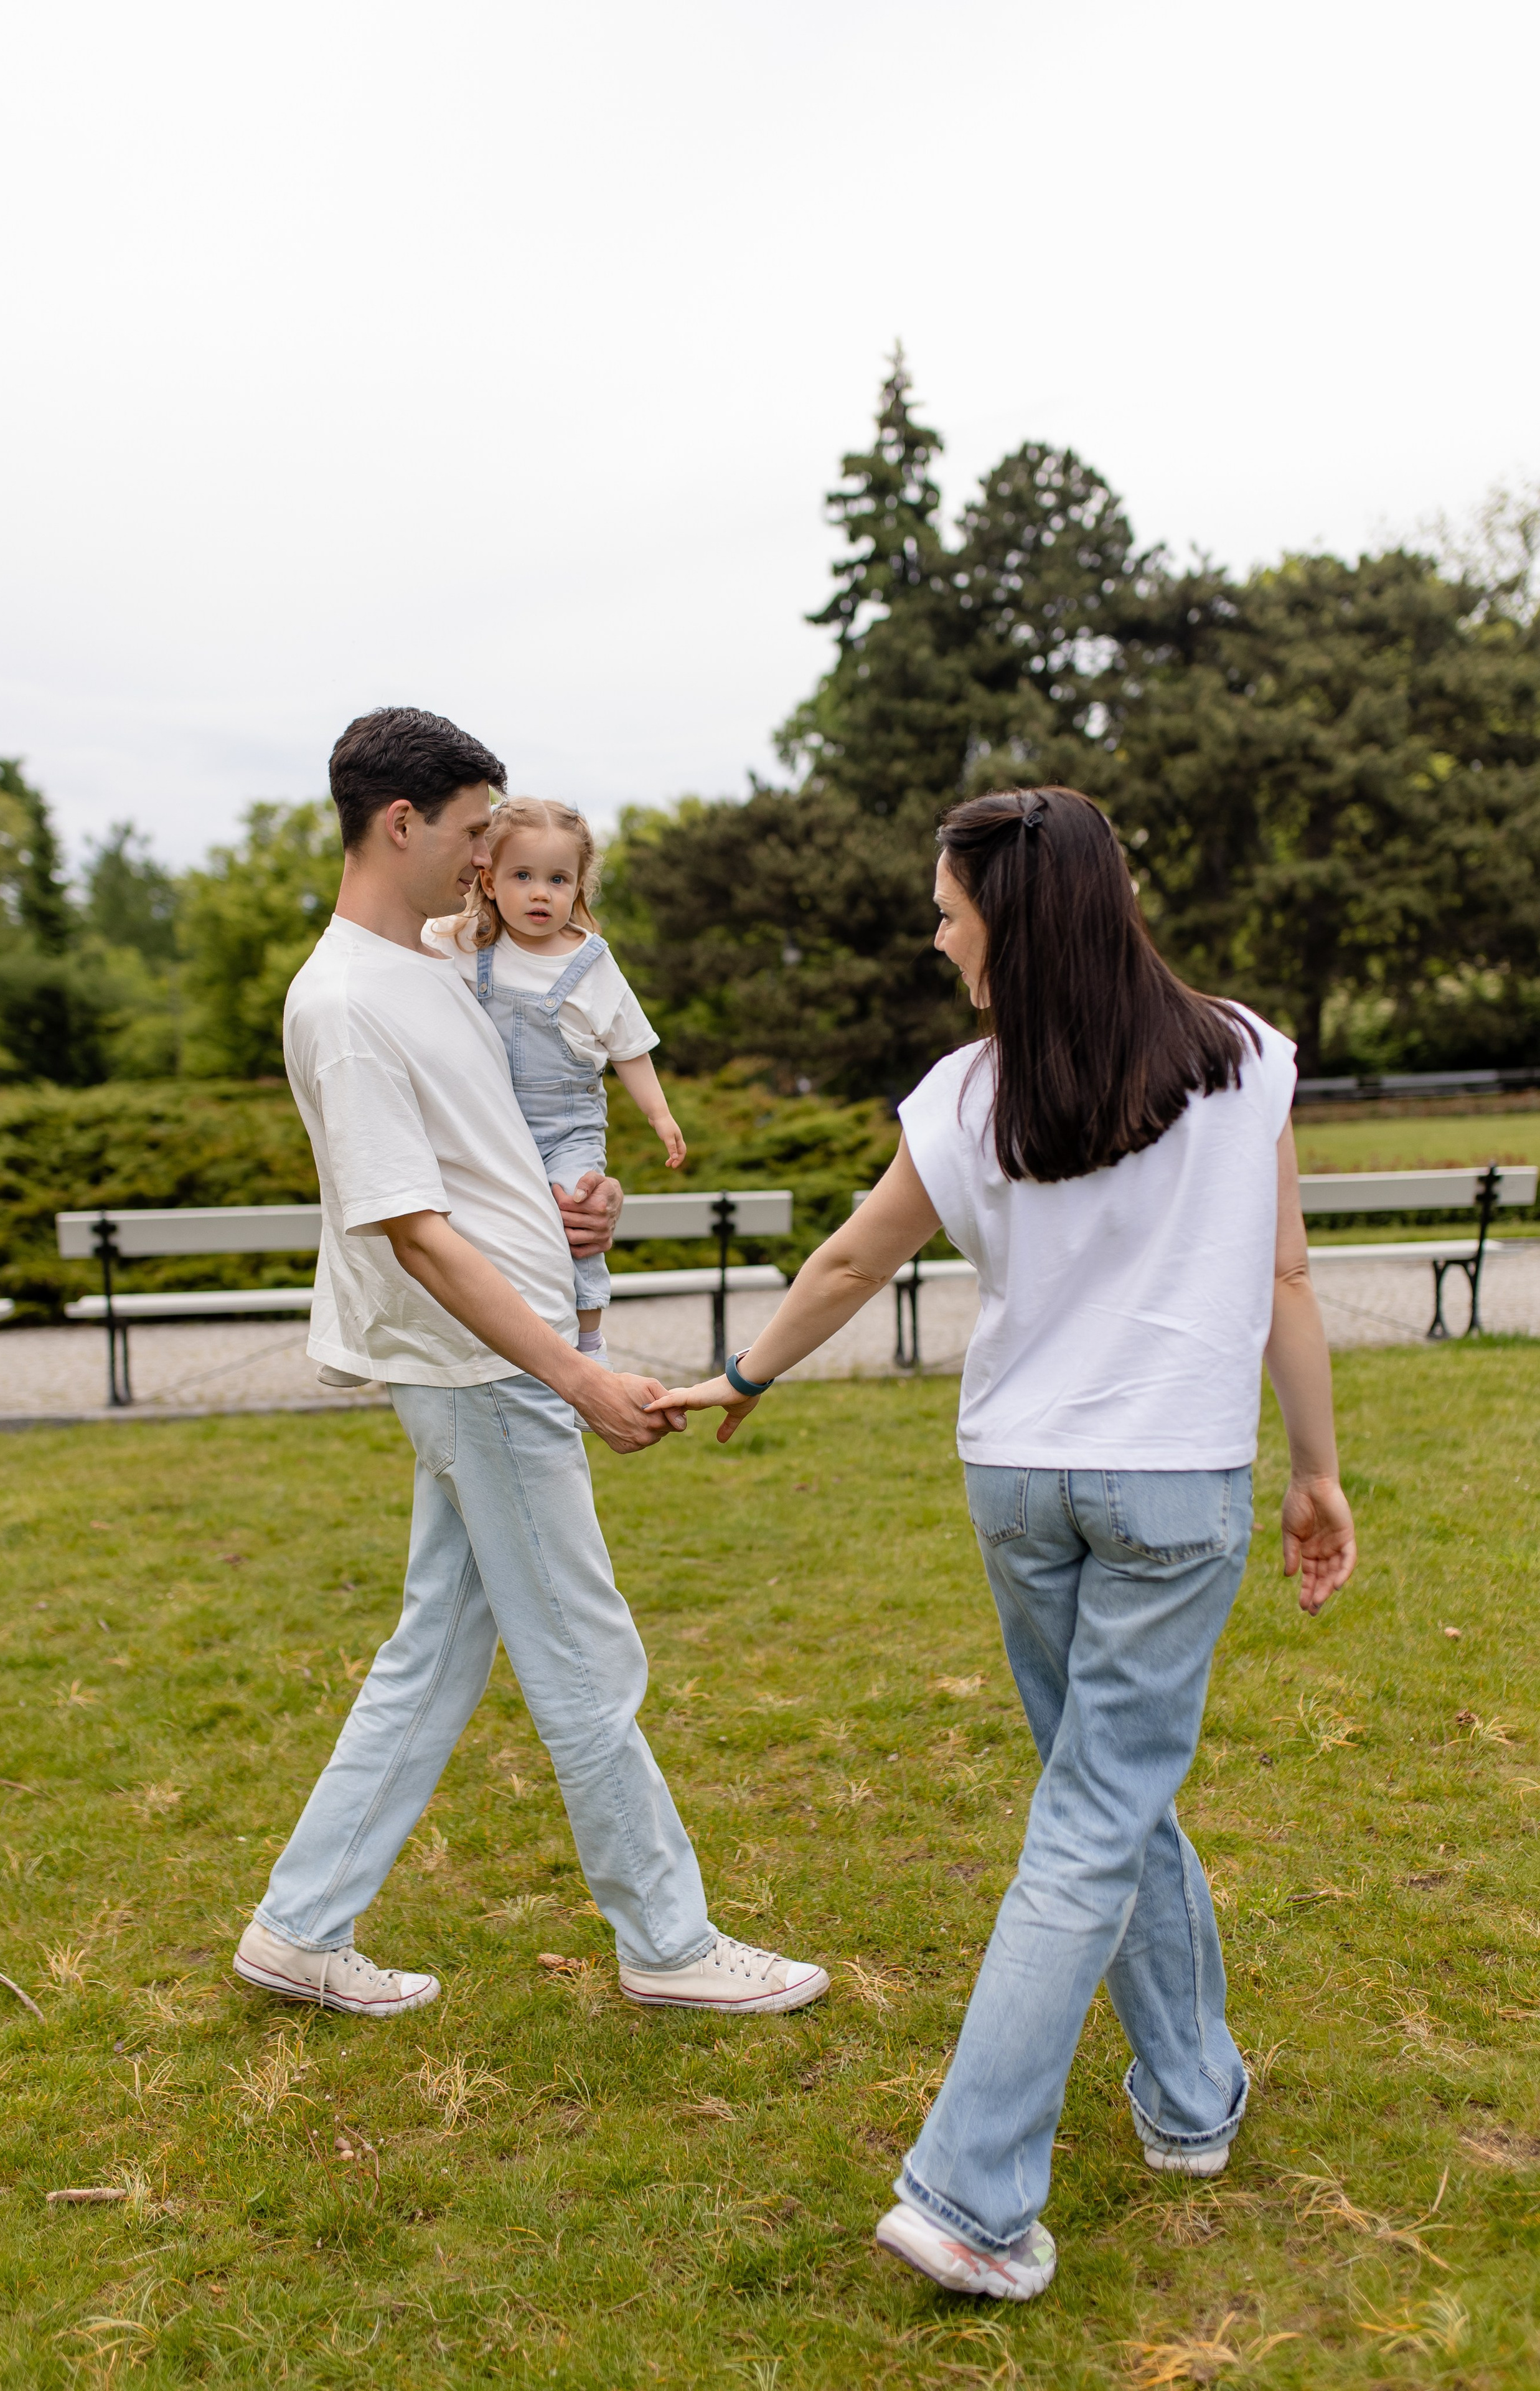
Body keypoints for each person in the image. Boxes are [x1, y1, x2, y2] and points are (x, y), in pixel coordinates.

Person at [655, 786, 1356, 2301]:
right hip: (1167, 1486)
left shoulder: (969, 1096)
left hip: (1023, 1484)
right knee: (1098, 1808)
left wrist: (749, 1370)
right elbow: (1287, 1279)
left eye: (948, 908)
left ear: (1015, 922)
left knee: (1101, 1798)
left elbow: (854, 1253)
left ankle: (1186, 2096)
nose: (935, 930)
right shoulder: (1239, 1056)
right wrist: (1315, 1467)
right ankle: (969, 2191)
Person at [233, 706, 828, 2024]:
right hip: (483, 1366)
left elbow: (489, 1153)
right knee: (583, 1657)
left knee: (435, 1652)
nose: (486, 861)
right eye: (468, 833)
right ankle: (667, 1943)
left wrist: (579, 1210)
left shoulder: (439, 962)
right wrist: (573, 1373)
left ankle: (298, 1927)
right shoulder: (342, 1002)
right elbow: (414, 1235)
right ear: (403, 823)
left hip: (502, 1348)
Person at [423, 794, 686, 1364]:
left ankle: (589, 1340)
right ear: (489, 882)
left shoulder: (590, 961)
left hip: (568, 1127)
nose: (541, 893)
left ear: (578, 889)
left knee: (578, 1215)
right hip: (494, 1127)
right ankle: (507, 1340)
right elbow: (405, 938)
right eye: (523, 875)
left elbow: (630, 1047)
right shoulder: (466, 940)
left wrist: (660, 1117)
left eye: (558, 879)